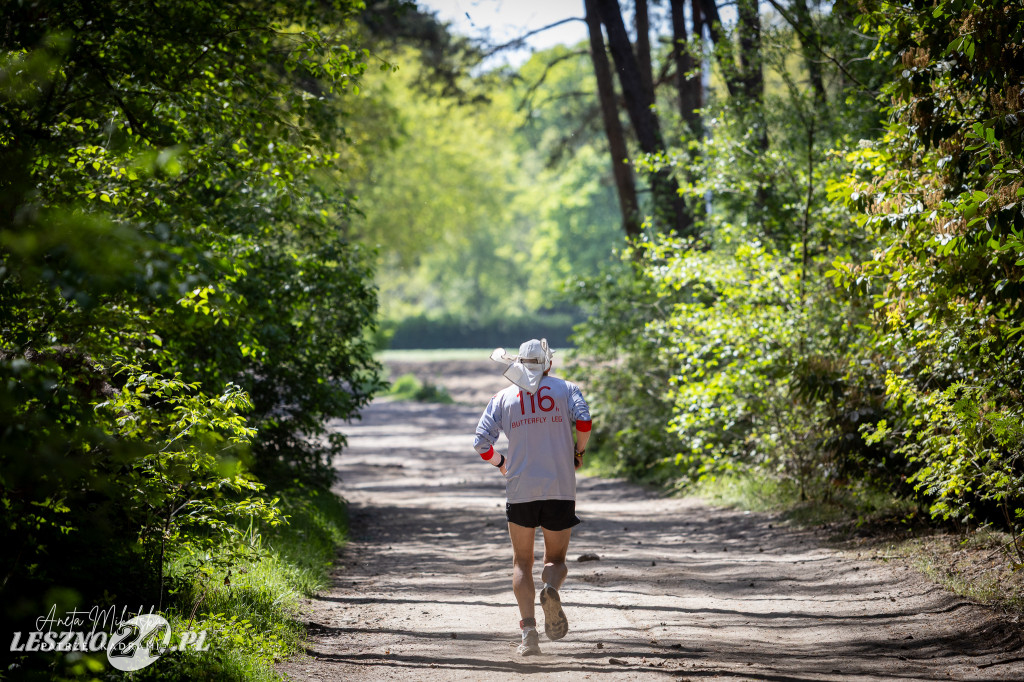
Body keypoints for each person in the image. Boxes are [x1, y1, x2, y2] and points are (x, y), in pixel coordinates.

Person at [473, 338, 592, 656]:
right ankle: (551, 588)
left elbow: (481, 442)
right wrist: (578, 451)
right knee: (556, 560)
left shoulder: (503, 396)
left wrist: (502, 464)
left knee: (521, 564)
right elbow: (584, 421)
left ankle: (529, 635)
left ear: (519, 365)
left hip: (521, 488)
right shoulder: (567, 388)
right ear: (548, 363)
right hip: (559, 487)